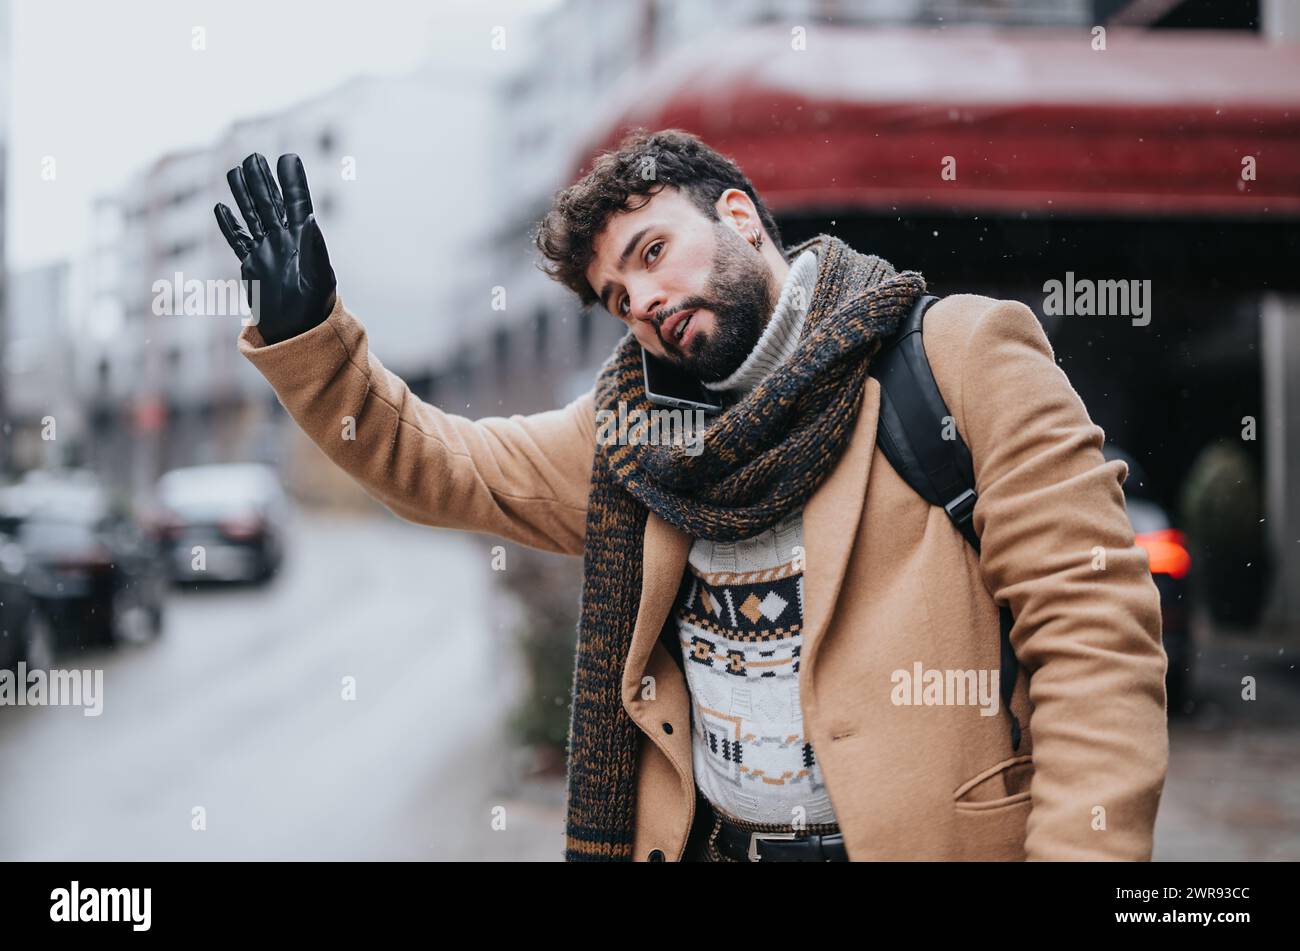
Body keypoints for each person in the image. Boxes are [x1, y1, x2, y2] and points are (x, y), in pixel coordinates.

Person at [214, 128, 1169, 863]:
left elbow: (1094, 636)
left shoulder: (955, 356)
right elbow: (439, 464)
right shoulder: (632, 437)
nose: (643, 302)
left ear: (743, 219)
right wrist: (315, 342)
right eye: (618, 297)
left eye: (652, 250)